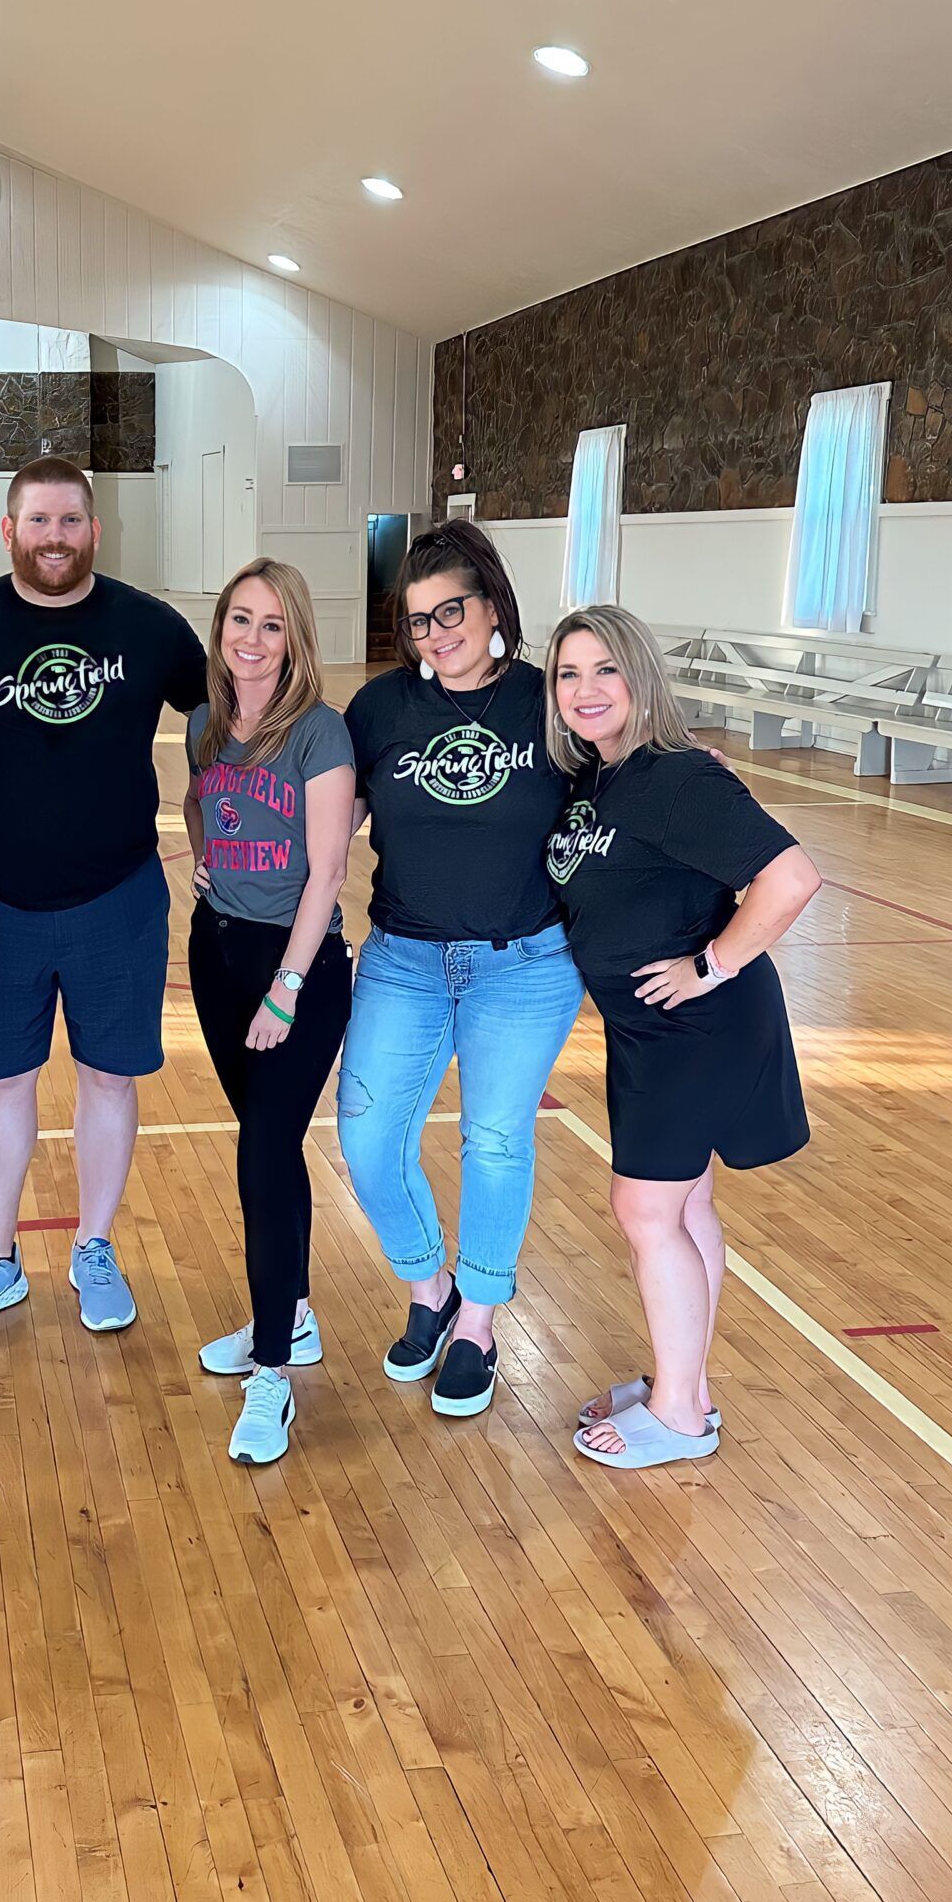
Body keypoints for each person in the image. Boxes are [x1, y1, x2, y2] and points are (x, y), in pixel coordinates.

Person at [0, 458, 207, 1346]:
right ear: (9, 531)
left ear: (95, 529)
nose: (56, 537)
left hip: (118, 897)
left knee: (107, 1077)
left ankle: (92, 1246)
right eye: (39, 521)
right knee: (2, 1081)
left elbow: (224, 728)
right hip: (0, 906)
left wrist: (223, 830)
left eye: (72, 521)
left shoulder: (151, 627)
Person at [546, 605, 820, 1470]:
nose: (585, 691)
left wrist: (712, 964)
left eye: (604, 671)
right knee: (686, 1202)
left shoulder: (676, 778)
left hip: (696, 1026)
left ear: (641, 677)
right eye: (566, 675)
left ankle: (677, 1415)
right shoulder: (608, 775)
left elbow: (791, 877)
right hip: (647, 1031)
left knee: (646, 1207)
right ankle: (685, 1384)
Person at [337, 520, 584, 1419]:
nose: (437, 634)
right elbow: (332, 816)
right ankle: (428, 1284)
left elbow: (625, 780)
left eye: (452, 612)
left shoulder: (546, 703)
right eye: (417, 622)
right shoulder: (380, 711)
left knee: (495, 1139)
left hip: (523, 966)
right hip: (402, 958)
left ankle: (477, 1319)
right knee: (366, 1141)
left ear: (492, 607)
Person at [183, 561, 355, 1464]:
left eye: (272, 625)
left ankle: (272, 1373)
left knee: (261, 1152)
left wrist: (287, 988)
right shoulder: (207, 727)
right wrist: (205, 852)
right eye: (240, 620)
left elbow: (327, 872)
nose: (252, 639)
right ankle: (292, 1314)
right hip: (216, 953)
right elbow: (195, 799)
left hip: (298, 969)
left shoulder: (319, 735)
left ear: (296, 640)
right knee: (269, 1142)